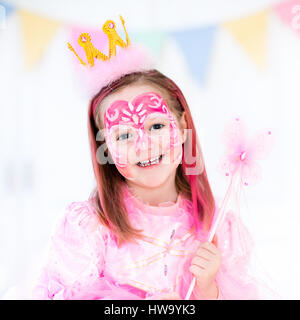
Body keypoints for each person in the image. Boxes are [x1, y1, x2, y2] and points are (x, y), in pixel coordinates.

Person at [32, 17, 273, 300]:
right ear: (105, 148)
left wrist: (208, 289)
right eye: (124, 135)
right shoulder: (91, 226)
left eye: (156, 126)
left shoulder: (217, 227)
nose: (143, 145)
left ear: (183, 127)